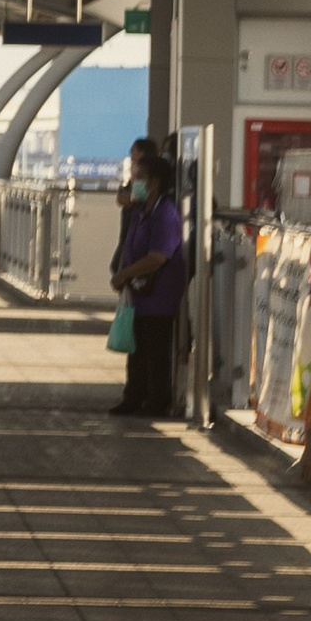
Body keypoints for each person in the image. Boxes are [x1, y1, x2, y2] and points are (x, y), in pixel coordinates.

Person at [109, 137, 187, 421]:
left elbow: (158, 257)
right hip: (140, 294)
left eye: (140, 178)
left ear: (154, 183)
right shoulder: (142, 212)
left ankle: (155, 400)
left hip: (159, 296)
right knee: (137, 348)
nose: (135, 183)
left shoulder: (165, 214)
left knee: (154, 348)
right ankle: (134, 396)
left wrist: (125, 274)